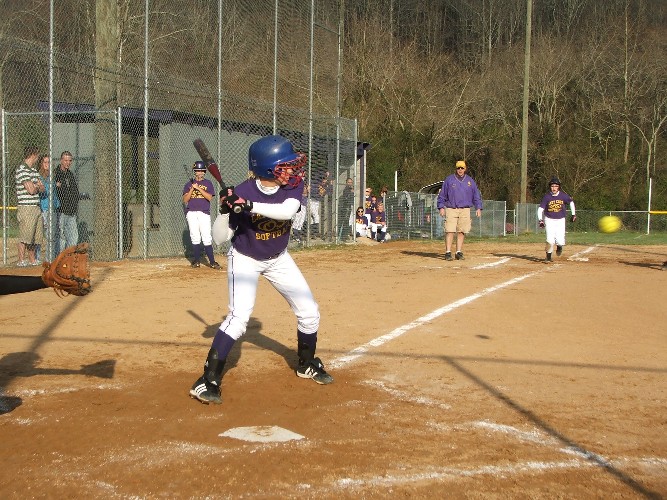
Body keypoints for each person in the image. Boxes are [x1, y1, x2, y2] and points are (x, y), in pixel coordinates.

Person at [189, 135, 333, 405]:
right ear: (269, 169)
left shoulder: (291, 185)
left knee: (309, 311)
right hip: (245, 258)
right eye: (286, 165)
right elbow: (219, 238)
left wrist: (247, 205)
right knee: (238, 318)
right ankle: (207, 381)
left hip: (278, 258)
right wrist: (225, 210)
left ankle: (306, 364)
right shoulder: (243, 191)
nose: (293, 169)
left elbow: (287, 211)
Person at [437, 160, 482, 261]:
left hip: (465, 209)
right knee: (450, 230)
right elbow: (442, 195)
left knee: (461, 231)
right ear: (456, 169)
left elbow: (476, 195)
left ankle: (458, 252)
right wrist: (441, 207)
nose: (460, 170)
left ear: (465, 169)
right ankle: (448, 252)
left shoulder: (470, 181)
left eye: (462, 168)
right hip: (451, 208)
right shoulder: (449, 180)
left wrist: (478, 207)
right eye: (458, 168)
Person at [182, 161, 220, 269]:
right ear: (194, 172)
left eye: (202, 171)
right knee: (195, 236)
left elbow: (209, 197)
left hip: (204, 212)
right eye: (197, 171)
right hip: (191, 212)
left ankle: (212, 262)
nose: (200, 173)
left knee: (206, 237)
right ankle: (197, 261)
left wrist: (198, 188)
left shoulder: (208, 183)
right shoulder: (188, 185)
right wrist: (192, 189)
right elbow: (185, 200)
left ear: (204, 172)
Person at [15, 146, 45, 266]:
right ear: (33, 155)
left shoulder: (33, 171)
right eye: (37, 155)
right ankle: (21, 260)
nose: (38, 158)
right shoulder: (22, 169)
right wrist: (36, 186)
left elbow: (42, 188)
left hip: (36, 206)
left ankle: (32, 260)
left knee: (34, 236)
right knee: (25, 235)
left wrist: (36, 186)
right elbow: (31, 190)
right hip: (26, 206)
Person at [537, 177, 576, 262]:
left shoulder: (563, 196)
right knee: (549, 240)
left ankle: (559, 246)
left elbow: (571, 202)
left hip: (560, 220)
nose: (554, 188)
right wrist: (540, 220)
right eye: (552, 186)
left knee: (560, 241)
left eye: (556, 186)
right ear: (550, 187)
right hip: (549, 219)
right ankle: (548, 257)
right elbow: (540, 209)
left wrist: (573, 214)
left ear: (559, 187)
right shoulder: (547, 197)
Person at [54, 151, 80, 251]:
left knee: (73, 236)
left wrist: (74, 204)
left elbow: (74, 191)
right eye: (65, 160)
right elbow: (55, 190)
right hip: (61, 211)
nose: (68, 163)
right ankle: (60, 257)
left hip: (71, 211)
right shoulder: (56, 173)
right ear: (61, 160)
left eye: (70, 160)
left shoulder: (70, 174)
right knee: (61, 237)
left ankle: (70, 256)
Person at [38, 154, 60, 261]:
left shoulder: (53, 176)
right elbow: (43, 192)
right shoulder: (40, 177)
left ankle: (51, 258)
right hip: (45, 209)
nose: (47, 164)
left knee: (53, 235)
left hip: (54, 208)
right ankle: (40, 258)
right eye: (45, 162)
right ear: (41, 164)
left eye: (49, 162)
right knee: (43, 235)